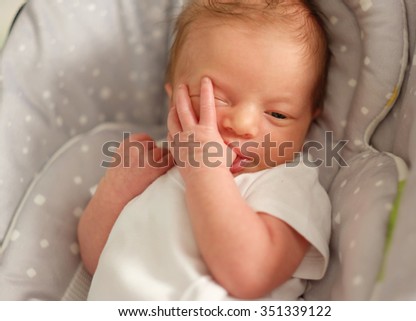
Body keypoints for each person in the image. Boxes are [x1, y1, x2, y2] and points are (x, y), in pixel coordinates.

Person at [78, 0, 331, 300]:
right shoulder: (154, 166)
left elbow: (251, 275)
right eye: (217, 99)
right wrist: (117, 190)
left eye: (278, 115)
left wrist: (203, 170)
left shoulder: (286, 182)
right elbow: (97, 259)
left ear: (309, 121)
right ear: (174, 97)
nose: (243, 124)